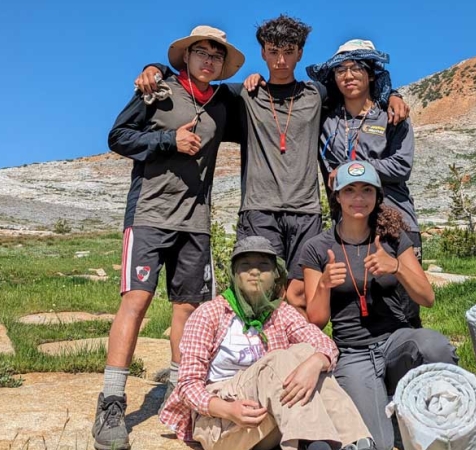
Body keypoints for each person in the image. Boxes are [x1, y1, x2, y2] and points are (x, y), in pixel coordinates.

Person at [134, 16, 411, 314]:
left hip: (305, 211)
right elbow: (194, 80)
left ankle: (301, 355)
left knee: (301, 293)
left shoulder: (316, 94)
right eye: (273, 51)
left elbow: (357, 83)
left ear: (300, 53)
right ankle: (259, 356)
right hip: (259, 210)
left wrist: (391, 95)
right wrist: (157, 68)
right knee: (259, 293)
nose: (281, 60)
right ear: (263, 53)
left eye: (289, 51)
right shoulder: (243, 95)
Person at [92, 26, 245, 450]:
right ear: (187, 56)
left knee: (188, 311)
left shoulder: (223, 103)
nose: (209, 60)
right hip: (149, 215)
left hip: (195, 222)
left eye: (217, 55)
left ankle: (184, 397)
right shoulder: (158, 90)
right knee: (136, 300)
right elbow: (118, 137)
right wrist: (168, 139)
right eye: (202, 52)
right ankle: (111, 401)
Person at [160, 235, 375, 450]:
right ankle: (316, 443)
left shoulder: (281, 312)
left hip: (272, 413)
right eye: (245, 266)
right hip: (224, 421)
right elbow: (187, 385)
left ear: (275, 275)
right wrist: (229, 410)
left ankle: (356, 442)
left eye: (263, 266)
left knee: (306, 352)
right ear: (235, 275)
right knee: (280, 359)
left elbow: (324, 344)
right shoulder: (209, 314)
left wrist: (316, 362)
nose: (254, 272)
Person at [299, 161, 458, 450]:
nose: (358, 198)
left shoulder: (393, 239)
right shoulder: (317, 248)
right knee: (379, 444)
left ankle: (445, 421)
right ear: (337, 196)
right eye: (350, 190)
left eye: (366, 190)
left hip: (397, 340)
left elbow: (427, 298)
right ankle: (397, 414)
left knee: (434, 346)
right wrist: (323, 285)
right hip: (352, 352)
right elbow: (316, 322)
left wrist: (396, 266)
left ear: (377, 196)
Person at [306, 39, 424, 327]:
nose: (348, 76)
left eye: (357, 68)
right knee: (355, 305)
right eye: (341, 70)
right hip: (350, 226)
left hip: (397, 220)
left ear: (371, 74)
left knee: (405, 306)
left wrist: (353, 170)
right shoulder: (327, 121)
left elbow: (401, 166)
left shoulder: (392, 117)